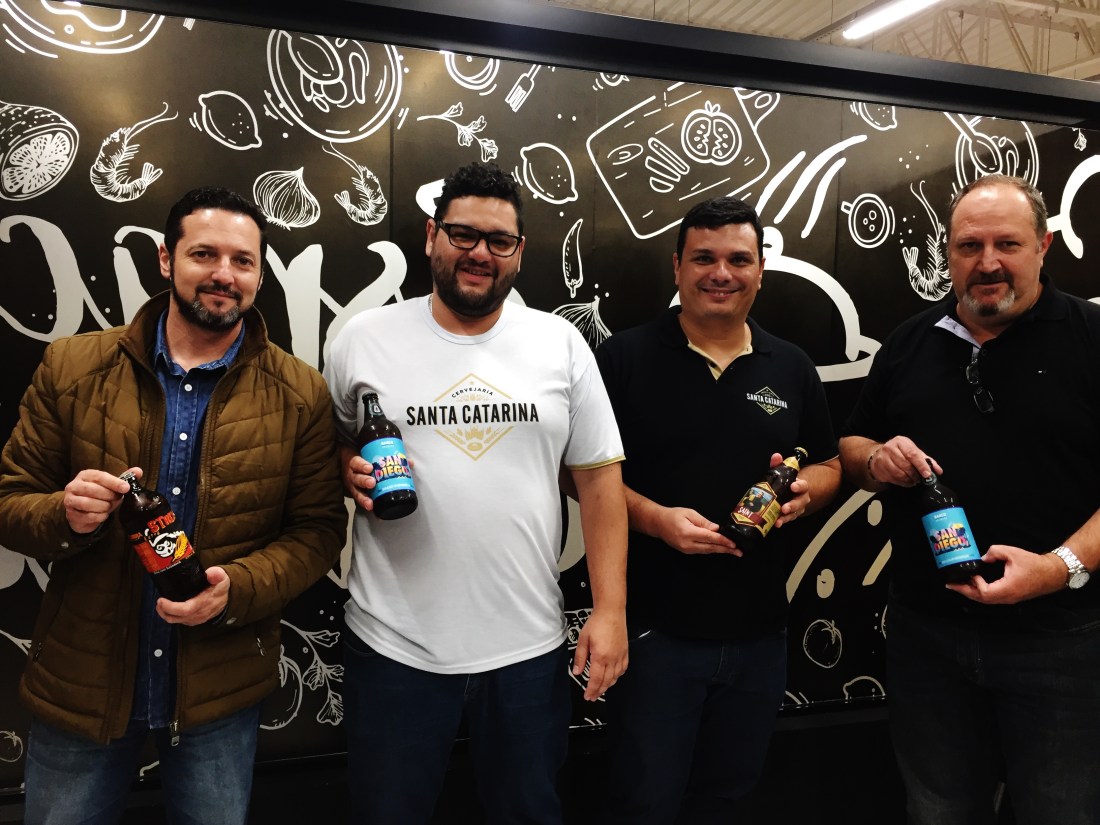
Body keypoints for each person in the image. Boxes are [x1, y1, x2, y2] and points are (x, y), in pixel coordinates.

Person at [0, 186, 348, 825]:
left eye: (243, 261)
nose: (224, 274)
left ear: (260, 273)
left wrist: (238, 588)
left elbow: (320, 530)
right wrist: (63, 515)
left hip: (220, 688)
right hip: (83, 683)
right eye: (204, 254)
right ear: (166, 259)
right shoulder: (72, 366)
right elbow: (9, 500)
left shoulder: (300, 392)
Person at [323, 161, 628, 825]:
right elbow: (336, 444)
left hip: (526, 647)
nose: (480, 253)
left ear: (520, 251)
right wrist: (350, 467)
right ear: (431, 235)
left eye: (499, 240)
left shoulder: (560, 343)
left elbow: (601, 483)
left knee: (528, 813)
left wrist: (610, 611)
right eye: (463, 234)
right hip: (393, 645)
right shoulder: (362, 338)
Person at [838, 173, 1100, 825]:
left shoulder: (1091, 337)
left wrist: (1058, 567)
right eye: (968, 246)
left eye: (1006, 244)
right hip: (928, 638)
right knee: (938, 810)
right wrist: (875, 460)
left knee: (1061, 811)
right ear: (948, 252)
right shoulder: (910, 341)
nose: (987, 263)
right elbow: (852, 443)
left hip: (1061, 642)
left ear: (1042, 245)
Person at [596, 195, 841, 823]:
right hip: (654, 634)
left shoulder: (791, 365)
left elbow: (831, 463)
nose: (721, 274)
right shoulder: (622, 358)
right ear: (677, 266)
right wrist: (656, 520)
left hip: (760, 634)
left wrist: (810, 490)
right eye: (704, 258)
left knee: (727, 799)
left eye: (739, 259)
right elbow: (581, 480)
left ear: (760, 271)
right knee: (643, 803)